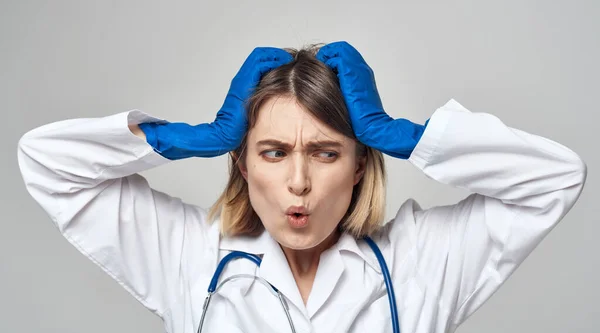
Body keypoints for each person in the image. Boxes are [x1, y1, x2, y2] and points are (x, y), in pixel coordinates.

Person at [17, 41, 587, 333]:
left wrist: (409, 137)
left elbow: (554, 178)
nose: (298, 182)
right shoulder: (188, 255)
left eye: (326, 152)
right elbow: (45, 162)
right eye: (274, 152)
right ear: (242, 164)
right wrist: (185, 138)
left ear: (361, 164)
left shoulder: (421, 261)